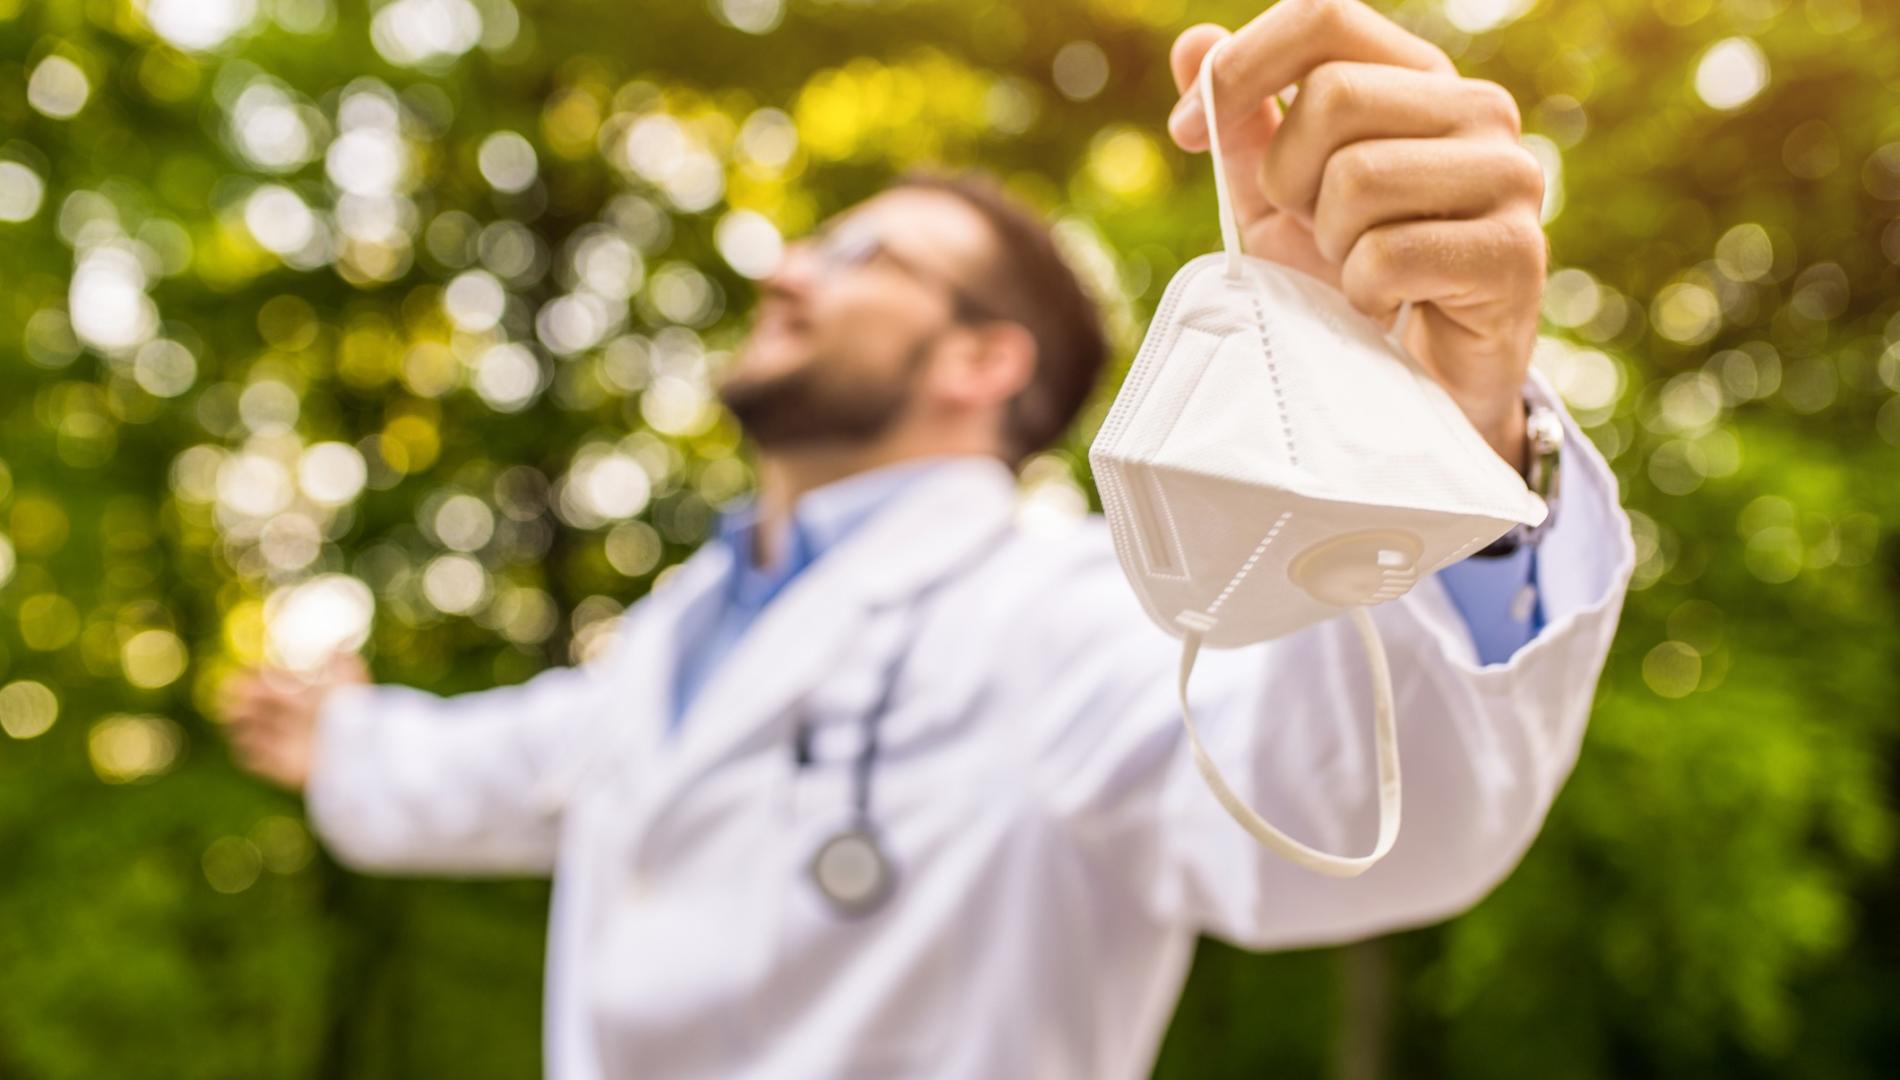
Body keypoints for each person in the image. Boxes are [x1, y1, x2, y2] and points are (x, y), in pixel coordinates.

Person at [223, 5, 1634, 1077]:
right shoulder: (677, 626)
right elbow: (509, 767)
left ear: (982, 363)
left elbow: (1343, 822)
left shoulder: (1071, 610)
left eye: (863, 260)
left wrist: (1435, 447)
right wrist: (341, 739)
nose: (784, 268)